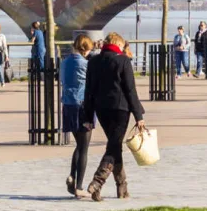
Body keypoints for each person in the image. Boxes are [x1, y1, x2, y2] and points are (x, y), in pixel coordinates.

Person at [82, 32, 145, 201]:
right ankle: (97, 182)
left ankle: (122, 188)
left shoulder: (93, 61)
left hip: (101, 109)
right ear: (118, 44)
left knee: (115, 146)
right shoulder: (123, 60)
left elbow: (89, 90)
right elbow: (130, 90)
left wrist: (88, 116)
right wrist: (138, 115)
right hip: (120, 109)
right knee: (113, 146)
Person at [62, 33, 95, 199]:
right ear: (85, 49)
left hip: (67, 104)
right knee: (84, 148)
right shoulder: (86, 64)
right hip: (82, 106)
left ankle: (72, 176)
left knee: (78, 144)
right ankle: (79, 186)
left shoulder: (65, 62)